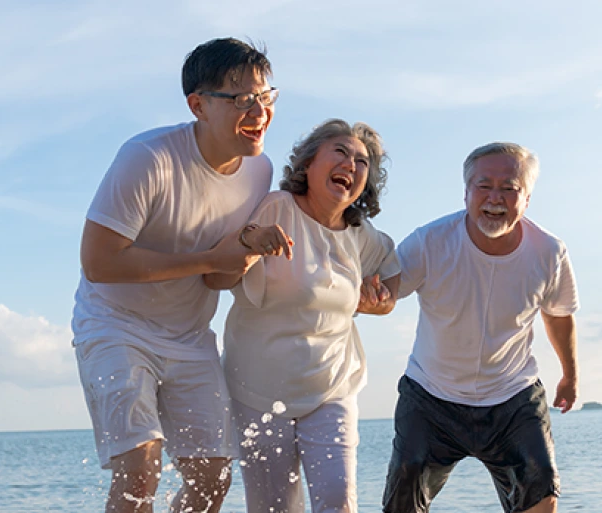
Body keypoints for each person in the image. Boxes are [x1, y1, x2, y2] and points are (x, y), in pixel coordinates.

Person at [72, 37, 289, 513]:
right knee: (140, 467)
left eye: (266, 97)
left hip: (190, 334)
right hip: (115, 324)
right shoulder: (148, 158)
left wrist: (246, 252)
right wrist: (212, 258)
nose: (259, 111)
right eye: (242, 100)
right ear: (199, 105)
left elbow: (217, 279)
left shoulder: (260, 170)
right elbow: (99, 262)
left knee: (213, 477)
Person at [204, 119, 401, 513]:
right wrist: (250, 243)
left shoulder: (362, 233)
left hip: (332, 386)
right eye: (341, 152)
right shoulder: (276, 208)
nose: (352, 165)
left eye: (363, 162)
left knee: (338, 501)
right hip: (258, 390)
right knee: (273, 508)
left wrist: (380, 301)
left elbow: (391, 269)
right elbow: (216, 277)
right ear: (309, 164)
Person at [382, 143, 581, 513]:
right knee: (403, 499)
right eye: (483, 185)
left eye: (509, 187)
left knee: (542, 491)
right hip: (431, 395)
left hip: (512, 395)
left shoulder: (549, 252)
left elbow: (558, 314)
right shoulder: (430, 241)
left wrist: (570, 375)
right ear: (466, 192)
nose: (495, 198)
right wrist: (366, 295)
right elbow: (386, 291)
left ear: (527, 198)